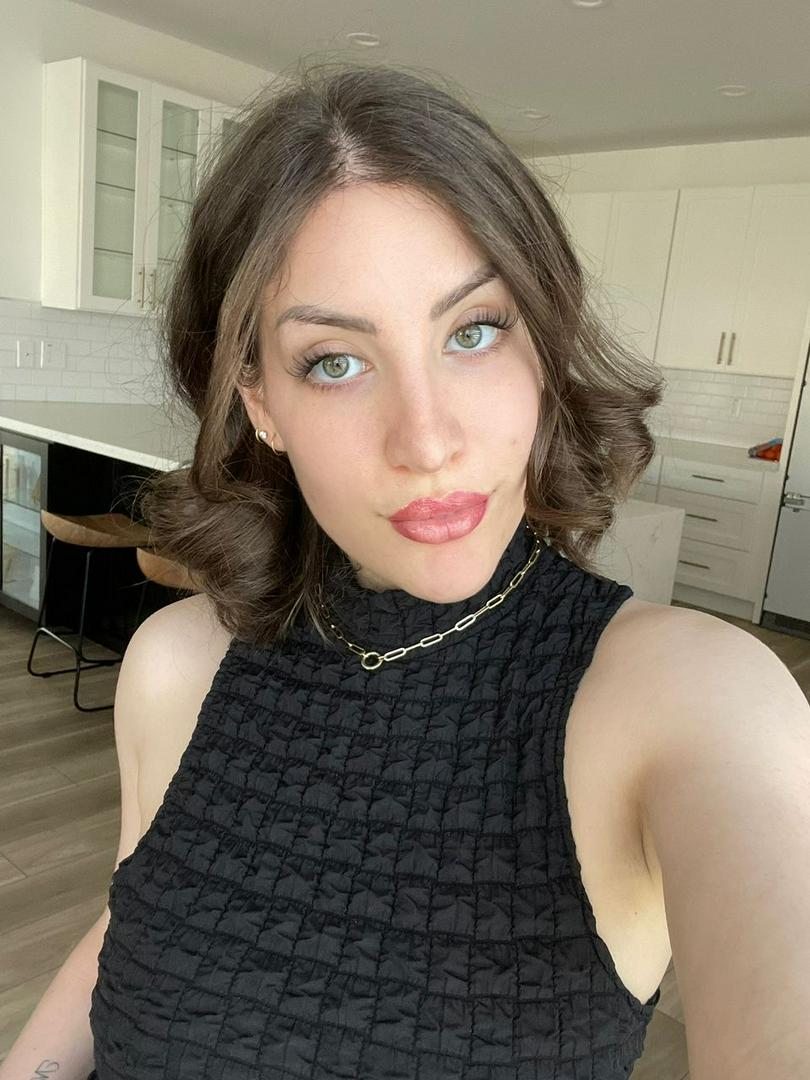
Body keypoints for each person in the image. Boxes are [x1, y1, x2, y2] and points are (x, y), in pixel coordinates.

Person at [5, 59, 809, 1080]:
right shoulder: (176, 667)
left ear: (542, 345)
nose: (427, 441)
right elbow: (143, 919)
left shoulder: (689, 698)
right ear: (259, 402)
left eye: (473, 332)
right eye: (335, 361)